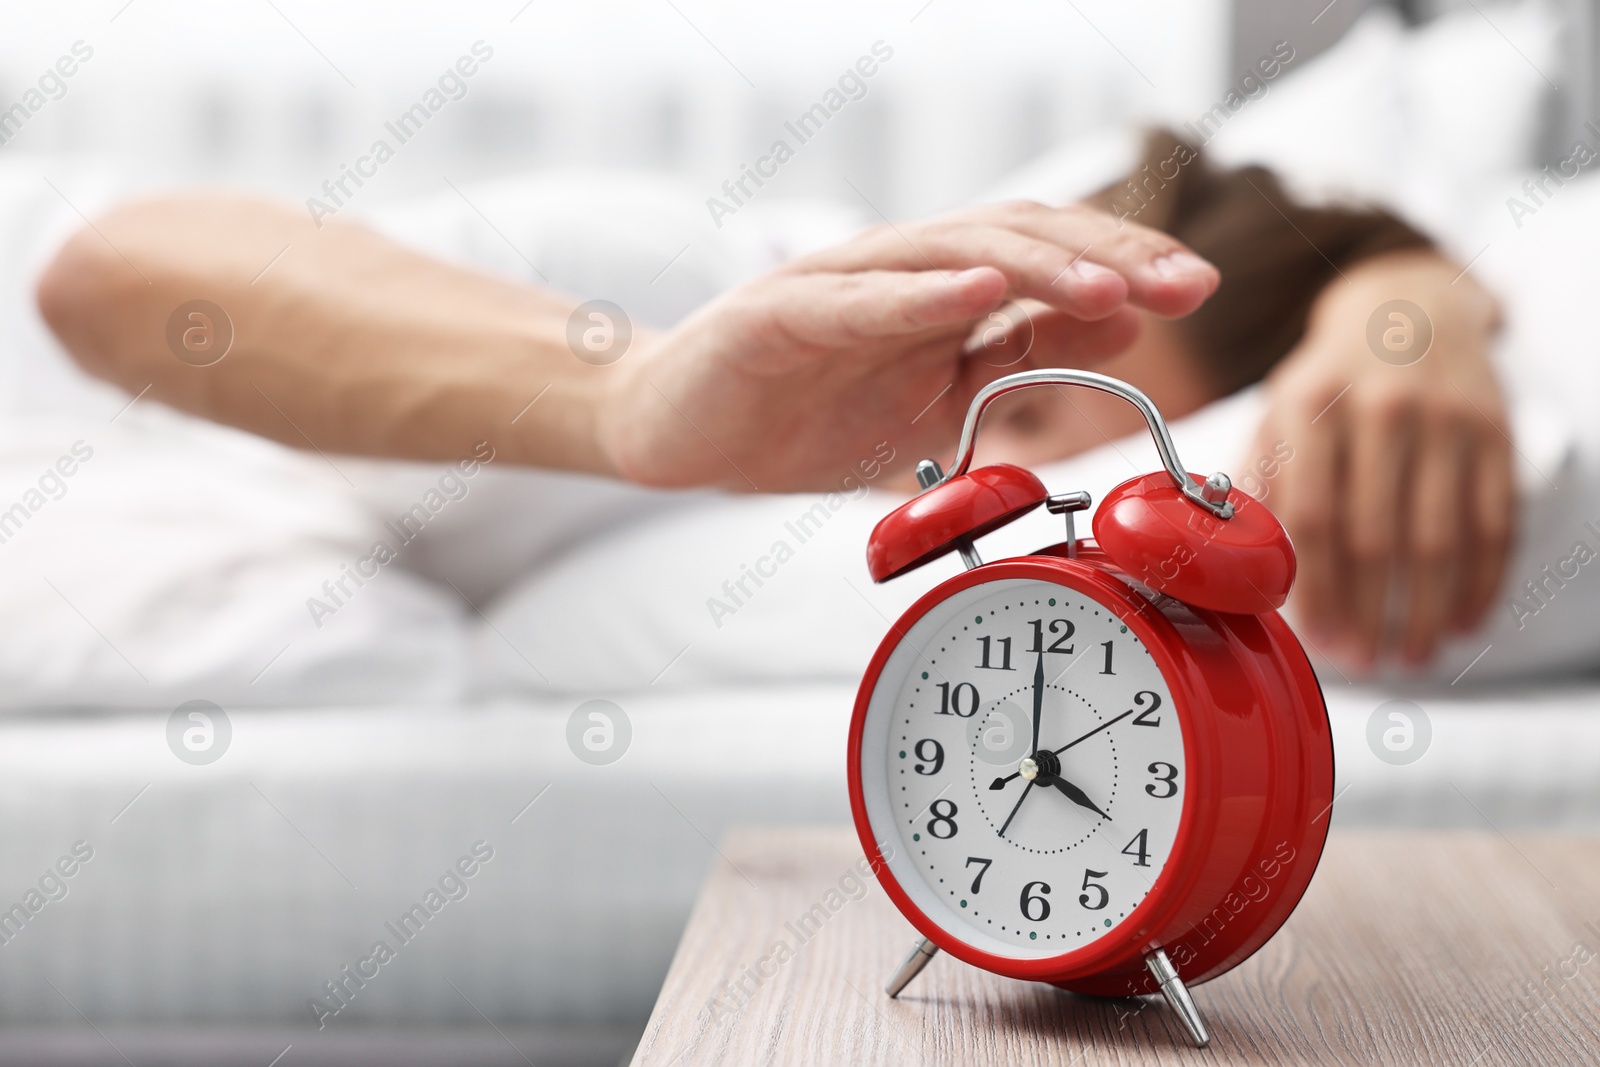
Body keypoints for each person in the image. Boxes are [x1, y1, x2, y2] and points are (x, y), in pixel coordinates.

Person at [32, 131, 1511, 673]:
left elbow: (1462, 245)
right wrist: (634, 397)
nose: (986, 455)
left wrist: (1409, 316)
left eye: (1066, 428)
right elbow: (111, 274)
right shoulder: (686, 273)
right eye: (1038, 398)